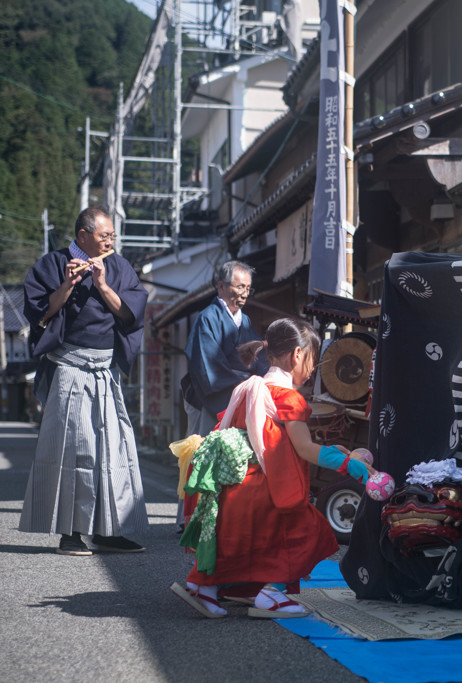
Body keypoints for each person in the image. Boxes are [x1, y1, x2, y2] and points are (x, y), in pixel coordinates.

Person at [170, 318, 374, 619]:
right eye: (313, 360)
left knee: (239, 543)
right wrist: (348, 465)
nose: (312, 368)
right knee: (310, 532)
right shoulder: (288, 397)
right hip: (266, 491)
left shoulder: (250, 388)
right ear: (298, 355)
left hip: (237, 487)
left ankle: (206, 588)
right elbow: (303, 448)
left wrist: (334, 452)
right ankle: (269, 593)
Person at [20, 207, 150, 556]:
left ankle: (109, 531)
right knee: (75, 450)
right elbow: (41, 315)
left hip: (105, 369)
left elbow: (130, 314)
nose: (110, 241)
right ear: (82, 236)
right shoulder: (51, 264)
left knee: (113, 448)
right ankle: (71, 533)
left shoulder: (119, 266)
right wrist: (68, 284)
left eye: (112, 236)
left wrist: (103, 283)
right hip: (70, 367)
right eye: (104, 236)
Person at [183, 260, 268, 437]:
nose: (245, 294)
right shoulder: (206, 319)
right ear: (221, 286)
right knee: (204, 453)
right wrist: (247, 383)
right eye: (240, 287)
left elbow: (258, 357)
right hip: (209, 400)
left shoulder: (245, 321)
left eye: (248, 289)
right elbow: (208, 370)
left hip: (238, 397)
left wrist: (266, 379)